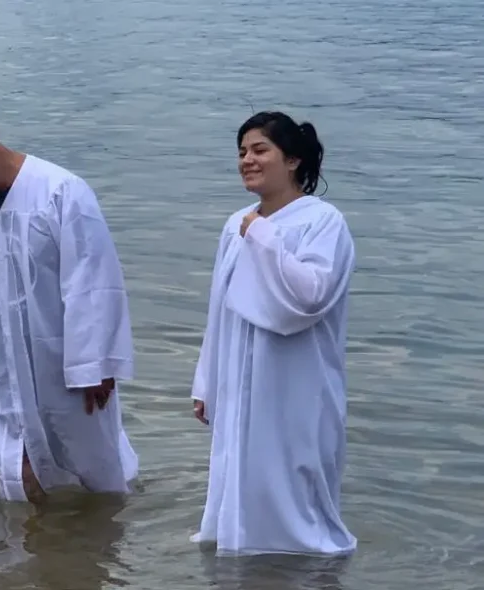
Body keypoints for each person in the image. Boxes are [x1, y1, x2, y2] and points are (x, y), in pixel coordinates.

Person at [0, 109, 138, 503]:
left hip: (63, 366)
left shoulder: (60, 191)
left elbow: (92, 282)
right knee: (19, 471)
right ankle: (33, 556)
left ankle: (101, 549)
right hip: (3, 366)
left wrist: (95, 365)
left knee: (93, 472)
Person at [190, 111, 358, 556]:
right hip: (241, 377)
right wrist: (207, 382)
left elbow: (310, 297)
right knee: (242, 471)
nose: (247, 159)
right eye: (242, 152)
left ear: (293, 160)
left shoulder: (323, 222)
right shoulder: (236, 223)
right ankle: (241, 560)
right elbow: (220, 311)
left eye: (260, 150)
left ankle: (309, 569)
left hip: (298, 379)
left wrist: (263, 237)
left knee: (295, 477)